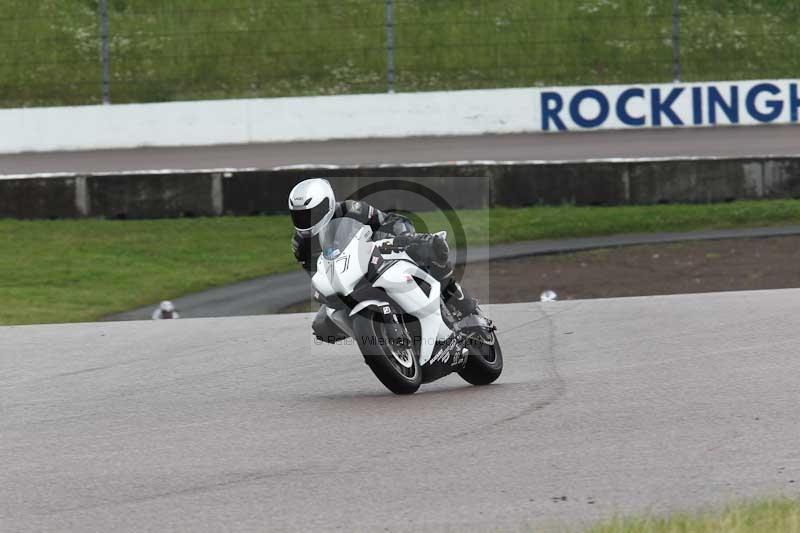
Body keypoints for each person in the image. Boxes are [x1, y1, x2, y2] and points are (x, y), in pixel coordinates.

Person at [288, 178, 477, 344]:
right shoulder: (300, 244)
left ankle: (452, 293)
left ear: (327, 204)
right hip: (347, 277)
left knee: (426, 249)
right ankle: (378, 338)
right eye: (300, 216)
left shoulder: (350, 209)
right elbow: (317, 274)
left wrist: (403, 240)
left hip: (378, 248)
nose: (306, 220)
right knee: (321, 327)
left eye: (311, 213)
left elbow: (385, 221)